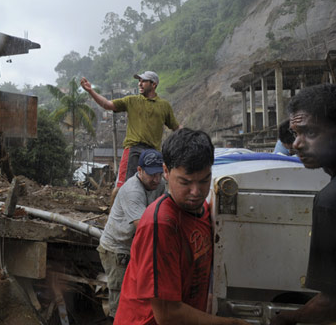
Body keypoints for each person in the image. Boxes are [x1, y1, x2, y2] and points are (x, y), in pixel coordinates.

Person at [114, 128, 248, 325]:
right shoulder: (161, 224)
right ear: (166, 171)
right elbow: (167, 314)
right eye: (185, 182)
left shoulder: (201, 210)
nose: (196, 191)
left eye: (204, 181)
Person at [270, 84, 336, 325]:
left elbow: (335, 306)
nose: (297, 144)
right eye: (295, 133)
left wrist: (287, 318)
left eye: (310, 133)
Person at [80, 71, 179, 202]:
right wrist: (90, 91)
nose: (140, 84)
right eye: (139, 81)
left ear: (153, 84)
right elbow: (107, 105)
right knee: (122, 186)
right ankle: (113, 218)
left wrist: (190, 138)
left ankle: (146, 218)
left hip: (153, 152)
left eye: (143, 81)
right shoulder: (131, 101)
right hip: (133, 149)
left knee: (154, 188)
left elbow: (176, 128)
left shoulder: (164, 106)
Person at [97, 148, 166, 318]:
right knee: (120, 297)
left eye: (159, 174)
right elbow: (145, 227)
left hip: (132, 245)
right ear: (140, 171)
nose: (156, 179)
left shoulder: (160, 184)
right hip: (116, 248)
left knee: (136, 296)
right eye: (151, 175)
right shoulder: (132, 191)